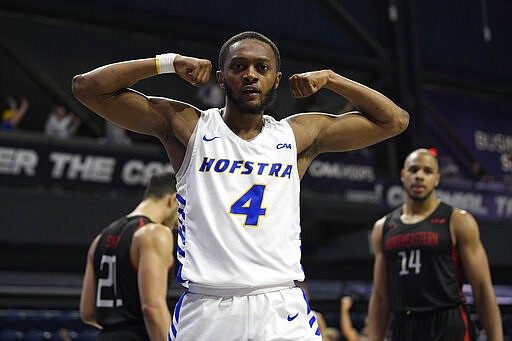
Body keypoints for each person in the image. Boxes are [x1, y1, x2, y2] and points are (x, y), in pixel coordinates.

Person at [72, 31, 409, 340]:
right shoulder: (189, 127)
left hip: (279, 305)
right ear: (221, 77)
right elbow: (87, 88)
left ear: (275, 80)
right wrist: (168, 63)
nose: (250, 74)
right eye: (239, 66)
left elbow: (394, 120)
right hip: (207, 308)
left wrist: (333, 80)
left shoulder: (296, 135)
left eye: (262, 67)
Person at [367, 148, 503, 341]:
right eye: (414, 170)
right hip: (405, 327)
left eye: (427, 171)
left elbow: (481, 288)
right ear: (403, 176)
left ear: (437, 179)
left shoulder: (458, 221)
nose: (420, 176)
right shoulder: (383, 227)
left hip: (448, 324)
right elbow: (380, 298)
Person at [80, 171, 179, 340]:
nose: (181, 219)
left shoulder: (100, 238)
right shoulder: (155, 233)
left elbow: (87, 312)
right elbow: (152, 307)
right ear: (174, 199)